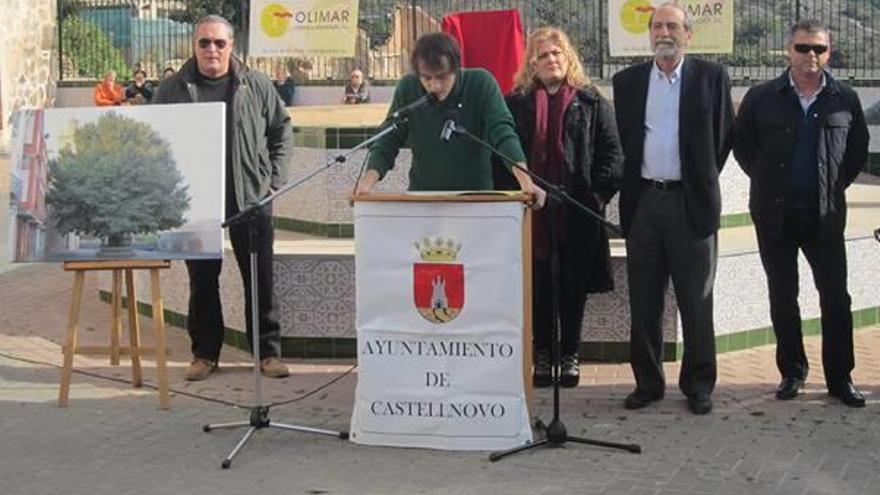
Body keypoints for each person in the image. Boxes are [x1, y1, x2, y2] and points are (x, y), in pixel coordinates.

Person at [733, 19, 869, 408]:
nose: (811, 56)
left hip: (824, 217)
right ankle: (792, 371)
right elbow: (744, 150)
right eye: (803, 48)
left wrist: (829, 186)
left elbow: (855, 153)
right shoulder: (761, 98)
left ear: (829, 53)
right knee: (783, 296)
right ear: (788, 51)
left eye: (819, 49)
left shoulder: (844, 98)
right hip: (774, 216)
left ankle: (840, 378)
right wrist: (770, 185)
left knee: (836, 298)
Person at [153, 15, 293, 381]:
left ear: (232, 46)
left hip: (250, 198)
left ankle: (267, 354)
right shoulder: (172, 89)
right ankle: (204, 354)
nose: (212, 50)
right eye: (204, 43)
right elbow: (153, 141)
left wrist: (275, 179)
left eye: (219, 43)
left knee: (259, 277)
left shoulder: (256, 84)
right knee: (202, 280)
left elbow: (281, 130)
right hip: (197, 202)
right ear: (194, 46)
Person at [612, 2, 733, 414]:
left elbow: (722, 139)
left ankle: (699, 384)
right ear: (649, 34)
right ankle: (647, 383)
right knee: (644, 298)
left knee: (696, 299)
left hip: (690, 203)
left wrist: (696, 181)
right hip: (644, 201)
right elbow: (626, 141)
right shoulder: (627, 82)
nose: (664, 32)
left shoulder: (711, 78)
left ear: (688, 34)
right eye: (657, 26)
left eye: (672, 26)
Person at [502, 27, 622, 388]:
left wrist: (595, 198)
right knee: (538, 286)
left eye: (557, 53)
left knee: (572, 285)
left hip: (577, 212)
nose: (550, 60)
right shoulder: (516, 102)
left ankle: (569, 354)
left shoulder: (592, 101)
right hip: (532, 213)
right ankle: (541, 355)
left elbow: (612, 155)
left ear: (568, 58)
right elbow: (502, 155)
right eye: (542, 55)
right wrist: (518, 195)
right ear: (531, 63)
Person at [354, 32, 545, 205]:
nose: (434, 85)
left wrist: (525, 181)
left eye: (442, 77)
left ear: (456, 68)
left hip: (476, 201)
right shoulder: (408, 88)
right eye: (427, 78)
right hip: (424, 201)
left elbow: (502, 133)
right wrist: (366, 184)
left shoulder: (481, 83)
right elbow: (388, 139)